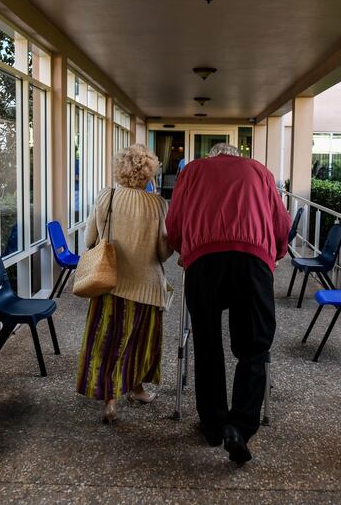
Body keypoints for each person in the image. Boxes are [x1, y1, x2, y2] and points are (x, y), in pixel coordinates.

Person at [165, 142, 290, 464]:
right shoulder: (260, 171)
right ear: (238, 155)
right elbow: (280, 223)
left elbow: (174, 220)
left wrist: (185, 251)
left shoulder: (192, 171)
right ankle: (241, 426)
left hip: (204, 262)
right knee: (254, 346)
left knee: (207, 343)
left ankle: (213, 425)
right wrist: (272, 255)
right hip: (252, 260)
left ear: (213, 156)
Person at [76, 144, 173, 423]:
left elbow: (88, 240)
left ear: (121, 169)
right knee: (141, 342)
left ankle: (110, 400)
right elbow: (163, 252)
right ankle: (137, 388)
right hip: (146, 286)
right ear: (148, 173)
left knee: (108, 341)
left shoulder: (107, 195)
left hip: (110, 282)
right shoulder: (157, 204)